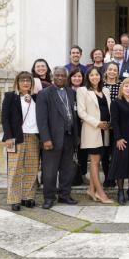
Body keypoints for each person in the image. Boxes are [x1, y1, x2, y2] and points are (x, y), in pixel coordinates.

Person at [36, 66, 79, 209]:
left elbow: (73, 114)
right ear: (53, 76)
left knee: (67, 170)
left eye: (63, 76)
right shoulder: (44, 94)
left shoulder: (71, 92)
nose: (60, 78)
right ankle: (49, 198)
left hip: (69, 137)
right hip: (52, 139)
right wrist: (45, 139)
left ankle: (64, 195)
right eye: (57, 75)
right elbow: (41, 119)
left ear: (66, 78)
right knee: (50, 171)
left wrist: (76, 137)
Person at [1, 71, 39, 211]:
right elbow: (5, 118)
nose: (25, 83)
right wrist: (8, 136)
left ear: (31, 83)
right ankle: (14, 199)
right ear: (17, 83)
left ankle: (27, 197)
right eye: (22, 80)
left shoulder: (36, 98)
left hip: (33, 136)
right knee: (15, 169)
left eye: (28, 81)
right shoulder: (10, 97)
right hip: (16, 137)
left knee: (32, 168)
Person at [76, 68, 113, 204]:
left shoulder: (106, 91)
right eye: (91, 75)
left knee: (98, 161)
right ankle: (101, 193)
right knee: (95, 162)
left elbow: (108, 109)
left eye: (96, 74)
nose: (94, 77)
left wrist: (109, 123)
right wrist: (97, 123)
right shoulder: (82, 91)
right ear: (88, 77)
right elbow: (81, 112)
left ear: (100, 76)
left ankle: (91, 190)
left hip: (105, 131)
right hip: (92, 130)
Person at [109, 78, 129, 205]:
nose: (128, 89)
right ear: (122, 88)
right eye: (126, 86)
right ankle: (120, 191)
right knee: (121, 166)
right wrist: (118, 138)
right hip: (122, 139)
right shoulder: (116, 102)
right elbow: (114, 121)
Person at [68, 68, 86, 187]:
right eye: (74, 76)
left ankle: (83, 175)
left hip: (84, 125)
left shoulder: (86, 90)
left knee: (83, 152)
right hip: (71, 126)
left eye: (79, 76)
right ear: (70, 78)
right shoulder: (67, 91)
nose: (77, 78)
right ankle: (71, 177)